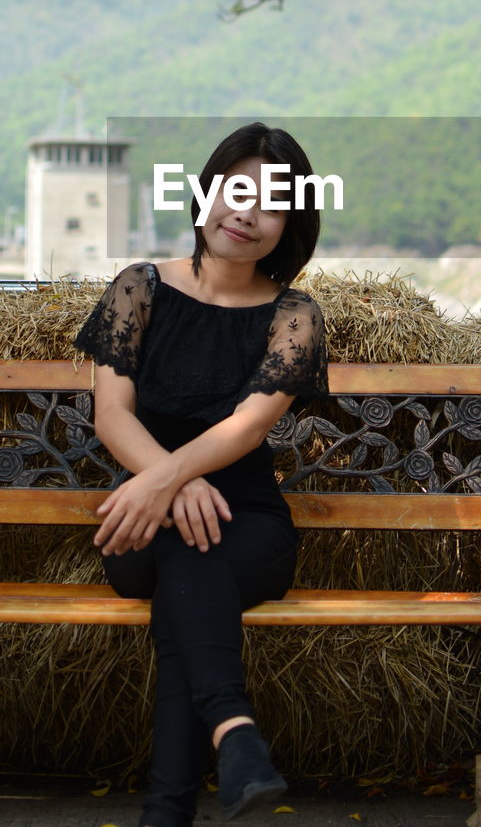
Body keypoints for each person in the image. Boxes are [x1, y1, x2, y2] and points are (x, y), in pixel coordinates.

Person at [74, 122, 328, 827]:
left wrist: (165, 483)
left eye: (271, 203)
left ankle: (174, 806)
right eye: (236, 189)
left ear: (290, 226)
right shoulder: (140, 289)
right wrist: (171, 483)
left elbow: (247, 427)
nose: (246, 212)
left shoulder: (293, 315)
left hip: (249, 526)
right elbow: (112, 415)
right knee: (186, 547)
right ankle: (234, 735)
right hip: (140, 525)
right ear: (205, 193)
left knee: (193, 564)